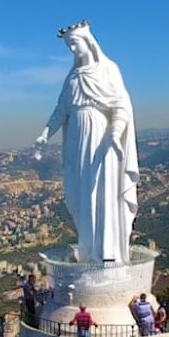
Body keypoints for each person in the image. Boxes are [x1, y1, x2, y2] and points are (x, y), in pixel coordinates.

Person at [36, 21, 139, 265]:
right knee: (80, 195)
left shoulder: (108, 70)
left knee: (103, 192)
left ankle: (107, 254)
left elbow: (121, 105)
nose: (72, 49)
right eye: (69, 45)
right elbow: (60, 111)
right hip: (77, 142)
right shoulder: (72, 78)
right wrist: (44, 134)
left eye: (75, 43)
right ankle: (89, 251)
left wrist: (115, 133)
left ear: (88, 43)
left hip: (103, 140)